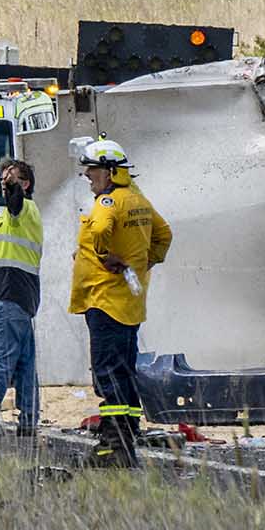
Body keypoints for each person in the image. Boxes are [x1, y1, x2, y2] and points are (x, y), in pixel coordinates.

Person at [69, 137, 173, 468]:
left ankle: (114, 446)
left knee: (107, 373)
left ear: (110, 172)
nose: (88, 178)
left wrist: (104, 255)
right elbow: (164, 234)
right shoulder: (138, 200)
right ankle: (126, 437)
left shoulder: (110, 202)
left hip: (105, 299)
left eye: (92, 173)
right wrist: (145, 263)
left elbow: (100, 227)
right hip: (129, 302)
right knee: (124, 372)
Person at [0, 159, 43, 436]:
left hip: (8, 293)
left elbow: (15, 202)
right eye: (2, 178)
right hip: (16, 295)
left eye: (10, 178)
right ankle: (29, 420)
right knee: (24, 363)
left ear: (24, 184)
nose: (3, 182)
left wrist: (13, 188)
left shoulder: (22, 209)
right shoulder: (5, 217)